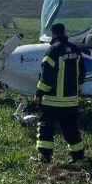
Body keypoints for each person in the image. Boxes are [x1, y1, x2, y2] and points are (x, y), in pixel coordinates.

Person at [35, 22, 86, 163]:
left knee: (45, 128)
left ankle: (45, 157)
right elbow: (82, 75)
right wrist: (77, 91)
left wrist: (39, 93)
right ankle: (78, 156)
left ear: (53, 34)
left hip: (52, 101)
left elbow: (47, 78)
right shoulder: (76, 50)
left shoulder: (52, 51)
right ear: (64, 32)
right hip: (71, 102)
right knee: (71, 129)